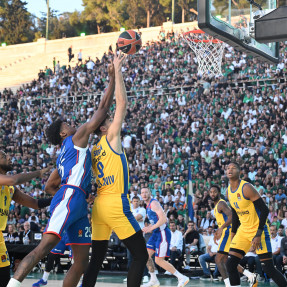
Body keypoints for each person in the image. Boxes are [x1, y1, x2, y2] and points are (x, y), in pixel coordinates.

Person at [7, 60, 116, 287]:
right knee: (43, 248)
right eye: (67, 123)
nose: (72, 123)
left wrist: (66, 192)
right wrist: (112, 77)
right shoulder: (75, 139)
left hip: (73, 199)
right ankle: (13, 284)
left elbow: (48, 186)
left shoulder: (62, 156)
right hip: (69, 197)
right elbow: (103, 109)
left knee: (81, 261)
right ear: (63, 132)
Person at [82, 51, 148, 287]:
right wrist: (118, 72)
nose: (112, 121)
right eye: (108, 120)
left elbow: (104, 106)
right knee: (141, 255)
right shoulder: (110, 137)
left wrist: (110, 77)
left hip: (99, 206)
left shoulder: (93, 148)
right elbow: (122, 103)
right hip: (114, 202)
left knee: (97, 258)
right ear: (103, 129)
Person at [226, 162, 287, 287]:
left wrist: (258, 234)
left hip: (258, 230)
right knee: (231, 263)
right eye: (228, 168)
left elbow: (264, 210)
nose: (230, 170)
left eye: (233, 168)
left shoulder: (246, 187)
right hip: (243, 231)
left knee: (268, 268)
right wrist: (233, 233)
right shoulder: (228, 192)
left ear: (239, 172)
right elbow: (235, 213)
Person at [0, 151, 51, 287]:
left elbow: (35, 204)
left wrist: (60, 197)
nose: (9, 158)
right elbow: (14, 179)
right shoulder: (9, 181)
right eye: (4, 156)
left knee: (4, 278)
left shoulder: (10, 188)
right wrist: (38, 173)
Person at [209, 184, 257, 287]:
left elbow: (232, 216)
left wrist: (221, 228)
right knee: (227, 260)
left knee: (218, 259)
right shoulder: (217, 205)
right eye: (211, 192)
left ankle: (228, 284)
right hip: (225, 232)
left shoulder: (221, 204)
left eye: (215, 192)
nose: (213, 194)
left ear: (219, 193)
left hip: (227, 232)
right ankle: (249, 275)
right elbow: (222, 221)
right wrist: (218, 231)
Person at [141, 187, 189, 287]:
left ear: (150, 193)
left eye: (146, 192)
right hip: (155, 233)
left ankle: (181, 277)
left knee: (159, 260)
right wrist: (148, 228)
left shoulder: (154, 203)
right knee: (145, 256)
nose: (144, 194)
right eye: (142, 193)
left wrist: (151, 228)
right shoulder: (147, 205)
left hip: (162, 233)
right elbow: (156, 221)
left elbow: (164, 219)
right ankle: (154, 279)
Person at [123, 196, 148, 284]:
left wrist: (132, 218)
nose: (136, 202)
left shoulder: (142, 209)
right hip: (129, 235)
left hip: (139, 235)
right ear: (132, 202)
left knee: (141, 256)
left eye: (137, 201)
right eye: (134, 201)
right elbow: (135, 219)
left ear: (139, 202)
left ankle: (145, 275)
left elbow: (137, 218)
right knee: (130, 258)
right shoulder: (128, 209)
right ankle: (130, 275)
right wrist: (136, 218)